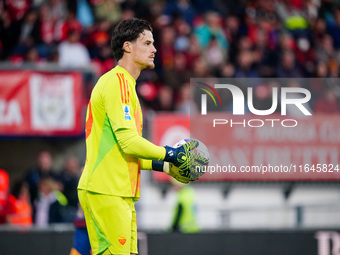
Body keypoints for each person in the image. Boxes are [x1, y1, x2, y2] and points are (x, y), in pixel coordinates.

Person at [77, 18, 207, 255]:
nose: (154, 49)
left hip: (117, 192)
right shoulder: (118, 83)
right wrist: (171, 153)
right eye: (147, 43)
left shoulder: (125, 85)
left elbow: (125, 150)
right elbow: (129, 142)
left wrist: (166, 166)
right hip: (108, 190)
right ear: (127, 46)